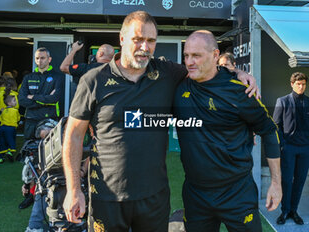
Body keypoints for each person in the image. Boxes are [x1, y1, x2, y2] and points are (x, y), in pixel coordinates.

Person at [62, 11, 259, 232]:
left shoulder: (166, 73)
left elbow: (203, 68)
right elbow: (74, 135)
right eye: (138, 40)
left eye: (151, 41)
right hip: (107, 196)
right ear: (123, 39)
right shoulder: (93, 80)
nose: (145, 47)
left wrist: (234, 72)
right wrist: (73, 190)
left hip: (154, 198)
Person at [172, 30, 282, 232]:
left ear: (215, 55)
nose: (189, 61)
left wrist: (276, 183)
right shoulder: (177, 85)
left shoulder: (240, 90)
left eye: (196, 55)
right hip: (196, 194)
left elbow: (269, 130)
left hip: (237, 192)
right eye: (186, 55)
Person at [273, 72, 309, 225]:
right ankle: (284, 211)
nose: (301, 86)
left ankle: (294, 210)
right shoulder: (282, 101)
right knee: (286, 180)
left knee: (300, 181)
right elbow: (276, 125)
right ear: (292, 84)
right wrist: (283, 144)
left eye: (303, 84)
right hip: (289, 148)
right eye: (298, 84)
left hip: (306, 149)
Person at [18, 47, 64, 140]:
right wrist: (45, 99)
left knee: (48, 151)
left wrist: (33, 97)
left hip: (49, 118)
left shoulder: (58, 77)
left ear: (49, 59)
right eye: (37, 58)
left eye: (42, 58)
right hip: (31, 118)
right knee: (29, 148)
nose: (39, 61)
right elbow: (22, 100)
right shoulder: (28, 77)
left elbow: (54, 98)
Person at [0, 77, 18, 158]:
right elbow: (17, 106)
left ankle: (0, 148)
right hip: (11, 116)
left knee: (0, 133)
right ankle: (9, 150)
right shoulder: (14, 95)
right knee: (10, 135)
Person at [0, 93, 20, 163]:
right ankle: (10, 152)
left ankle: (1, 158)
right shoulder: (15, 111)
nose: (16, 102)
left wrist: (2, 112)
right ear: (9, 103)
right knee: (11, 141)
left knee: (2, 142)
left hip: (2, 128)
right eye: (14, 101)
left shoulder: (3, 111)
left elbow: (0, 119)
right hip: (10, 129)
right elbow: (18, 119)